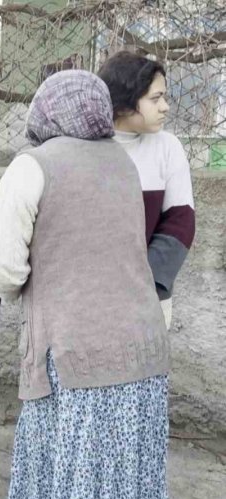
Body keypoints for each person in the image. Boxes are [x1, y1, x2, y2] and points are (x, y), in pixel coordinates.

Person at [0, 71, 170, 499]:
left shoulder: (32, 165)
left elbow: (7, 268)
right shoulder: (122, 162)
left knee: (73, 489)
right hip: (144, 355)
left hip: (79, 358)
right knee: (126, 493)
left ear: (46, 110)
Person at [98, 50, 195, 329]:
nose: (165, 107)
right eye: (155, 99)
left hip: (149, 298)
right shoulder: (87, 147)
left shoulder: (168, 148)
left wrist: (144, 285)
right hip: (91, 299)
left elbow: (181, 223)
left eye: (164, 97)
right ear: (125, 102)